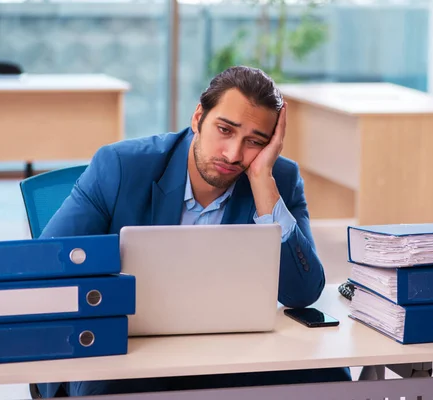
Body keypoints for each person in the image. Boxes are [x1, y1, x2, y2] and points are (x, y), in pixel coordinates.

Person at [37, 66, 351, 397]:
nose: (233, 154)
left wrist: (262, 185)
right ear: (198, 117)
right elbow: (48, 265)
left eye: (254, 142)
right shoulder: (120, 167)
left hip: (230, 356)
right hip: (130, 353)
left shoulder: (277, 180)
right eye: (225, 130)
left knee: (328, 378)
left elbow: (302, 293)